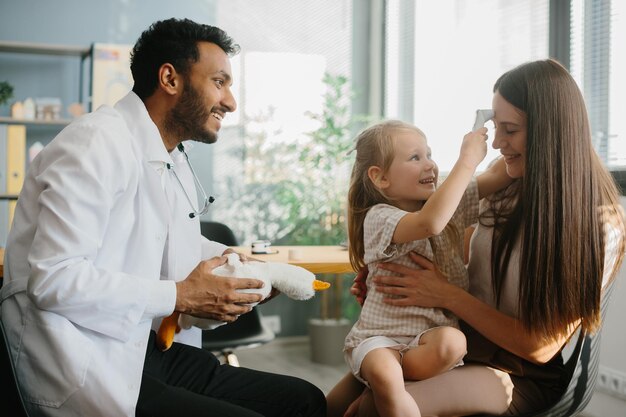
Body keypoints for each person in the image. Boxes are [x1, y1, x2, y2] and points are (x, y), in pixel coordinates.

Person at [0, 18, 325, 417]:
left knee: (305, 401)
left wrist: (240, 269)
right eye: (219, 82)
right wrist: (181, 294)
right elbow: (54, 280)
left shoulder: (170, 157)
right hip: (82, 359)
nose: (231, 102)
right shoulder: (94, 144)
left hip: (144, 349)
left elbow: (168, 241)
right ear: (170, 79)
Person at [327, 58, 626, 417]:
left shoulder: (599, 223)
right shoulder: (505, 186)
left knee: (374, 406)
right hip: (464, 340)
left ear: (550, 133)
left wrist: (442, 293)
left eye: (510, 130)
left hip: (523, 371)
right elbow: (451, 248)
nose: (498, 142)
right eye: (495, 127)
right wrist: (394, 278)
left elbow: (540, 347)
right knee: (337, 399)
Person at [342, 120, 510, 416]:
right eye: (415, 157)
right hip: (380, 339)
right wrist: (467, 160)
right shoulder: (380, 216)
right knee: (385, 374)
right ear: (380, 178)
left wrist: (492, 132)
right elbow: (430, 223)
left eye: (429, 154)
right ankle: (384, 387)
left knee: (454, 343)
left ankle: (378, 390)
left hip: (426, 341)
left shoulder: (442, 203)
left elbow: (496, 176)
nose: (430, 164)